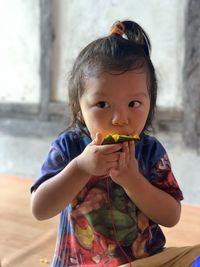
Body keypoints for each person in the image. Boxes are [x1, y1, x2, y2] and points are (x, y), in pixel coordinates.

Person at [30, 20, 200, 267]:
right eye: (102, 105)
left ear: (149, 103)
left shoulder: (150, 151)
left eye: (134, 104)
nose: (120, 119)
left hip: (145, 261)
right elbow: (40, 209)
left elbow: (171, 216)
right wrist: (79, 168)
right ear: (79, 108)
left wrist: (134, 181)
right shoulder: (69, 147)